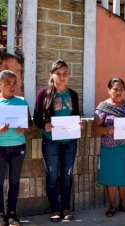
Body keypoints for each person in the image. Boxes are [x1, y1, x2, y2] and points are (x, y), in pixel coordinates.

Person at [33, 59, 81, 222]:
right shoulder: (43, 94)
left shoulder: (73, 94)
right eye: (58, 74)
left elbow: (76, 116)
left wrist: (78, 124)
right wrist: (44, 125)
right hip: (51, 141)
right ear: (51, 75)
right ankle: (55, 209)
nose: (62, 77)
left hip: (70, 142)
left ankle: (66, 208)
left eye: (65, 73)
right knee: (53, 175)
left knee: (67, 175)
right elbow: (37, 118)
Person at [92, 78, 125, 217]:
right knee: (111, 178)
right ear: (109, 90)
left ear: (124, 90)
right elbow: (95, 128)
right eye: (115, 89)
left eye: (121, 89)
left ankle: (123, 205)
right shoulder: (102, 107)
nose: (118, 91)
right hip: (110, 148)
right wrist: (109, 130)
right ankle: (112, 206)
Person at [0, 70, 32, 226]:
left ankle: (12, 214)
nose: (12, 87)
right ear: (0, 84)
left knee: (14, 181)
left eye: (14, 83)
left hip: (18, 146)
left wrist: (23, 127)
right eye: (7, 83)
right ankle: (0, 215)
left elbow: (29, 123)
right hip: (0, 147)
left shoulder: (21, 101)